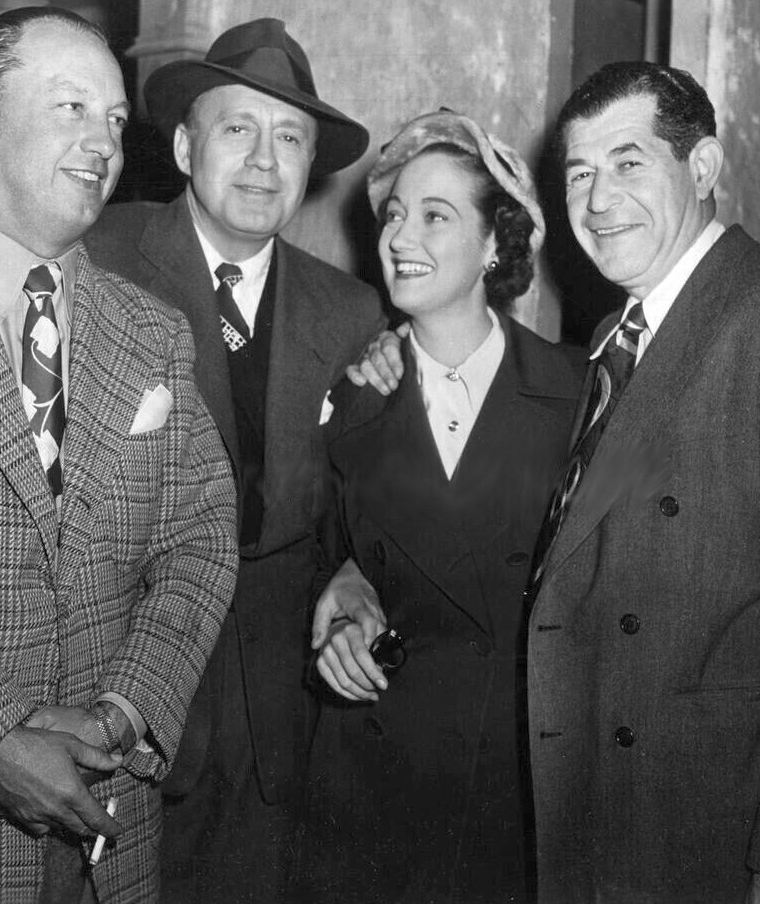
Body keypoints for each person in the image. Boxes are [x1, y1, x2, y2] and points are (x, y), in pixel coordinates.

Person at [0, 17, 386, 902]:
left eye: (114, 119)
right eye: (70, 106)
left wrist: (124, 710)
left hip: (129, 807)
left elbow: (203, 536)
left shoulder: (160, 327)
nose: (103, 141)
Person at [301, 110, 585, 904]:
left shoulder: (576, 395)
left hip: (520, 790)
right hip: (374, 790)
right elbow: (317, 553)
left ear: (495, 242)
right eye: (393, 215)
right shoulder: (349, 401)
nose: (399, 236)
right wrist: (340, 600)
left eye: (434, 216)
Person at [523, 61, 760, 903]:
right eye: (578, 173)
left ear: (701, 167)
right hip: (605, 815)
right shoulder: (616, 335)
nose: (596, 200)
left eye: (627, 162)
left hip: (704, 830)